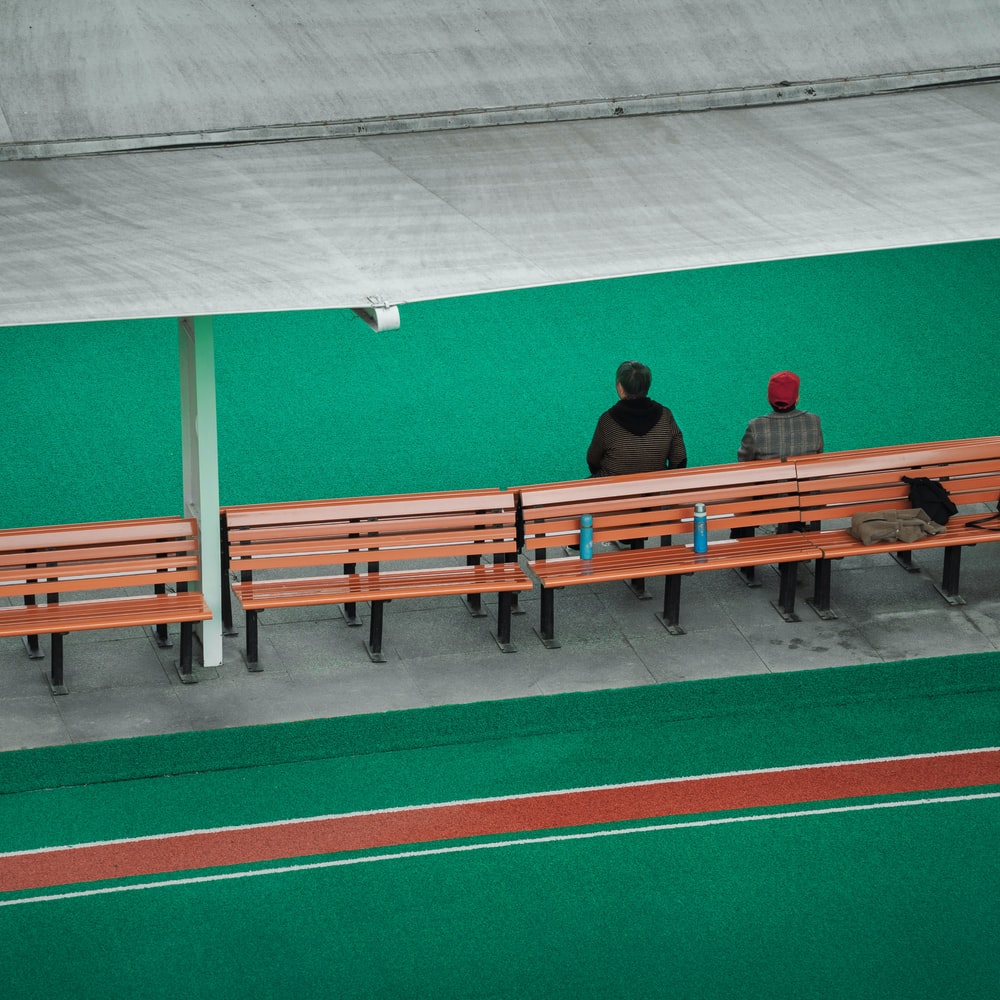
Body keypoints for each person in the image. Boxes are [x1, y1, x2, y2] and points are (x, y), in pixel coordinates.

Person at [586, 360, 687, 476]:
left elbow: (593, 461)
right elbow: (680, 460)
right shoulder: (666, 415)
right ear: (647, 386)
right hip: (656, 488)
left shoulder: (607, 421)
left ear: (620, 387)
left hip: (613, 487)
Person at [737, 370, 823, 462]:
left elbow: (743, 462)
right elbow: (818, 457)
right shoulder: (814, 421)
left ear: (768, 398)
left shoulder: (755, 427)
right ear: (797, 398)